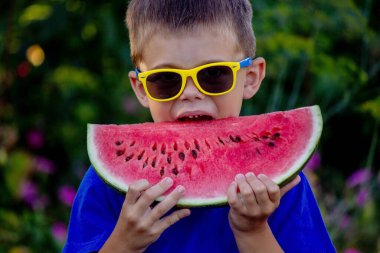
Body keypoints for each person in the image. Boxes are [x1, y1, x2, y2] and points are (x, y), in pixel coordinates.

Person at [63, 0, 336, 252]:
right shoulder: (105, 185)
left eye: (214, 74)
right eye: (166, 79)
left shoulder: (279, 186)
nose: (190, 93)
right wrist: (124, 242)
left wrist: (253, 230)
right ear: (141, 88)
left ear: (251, 78)